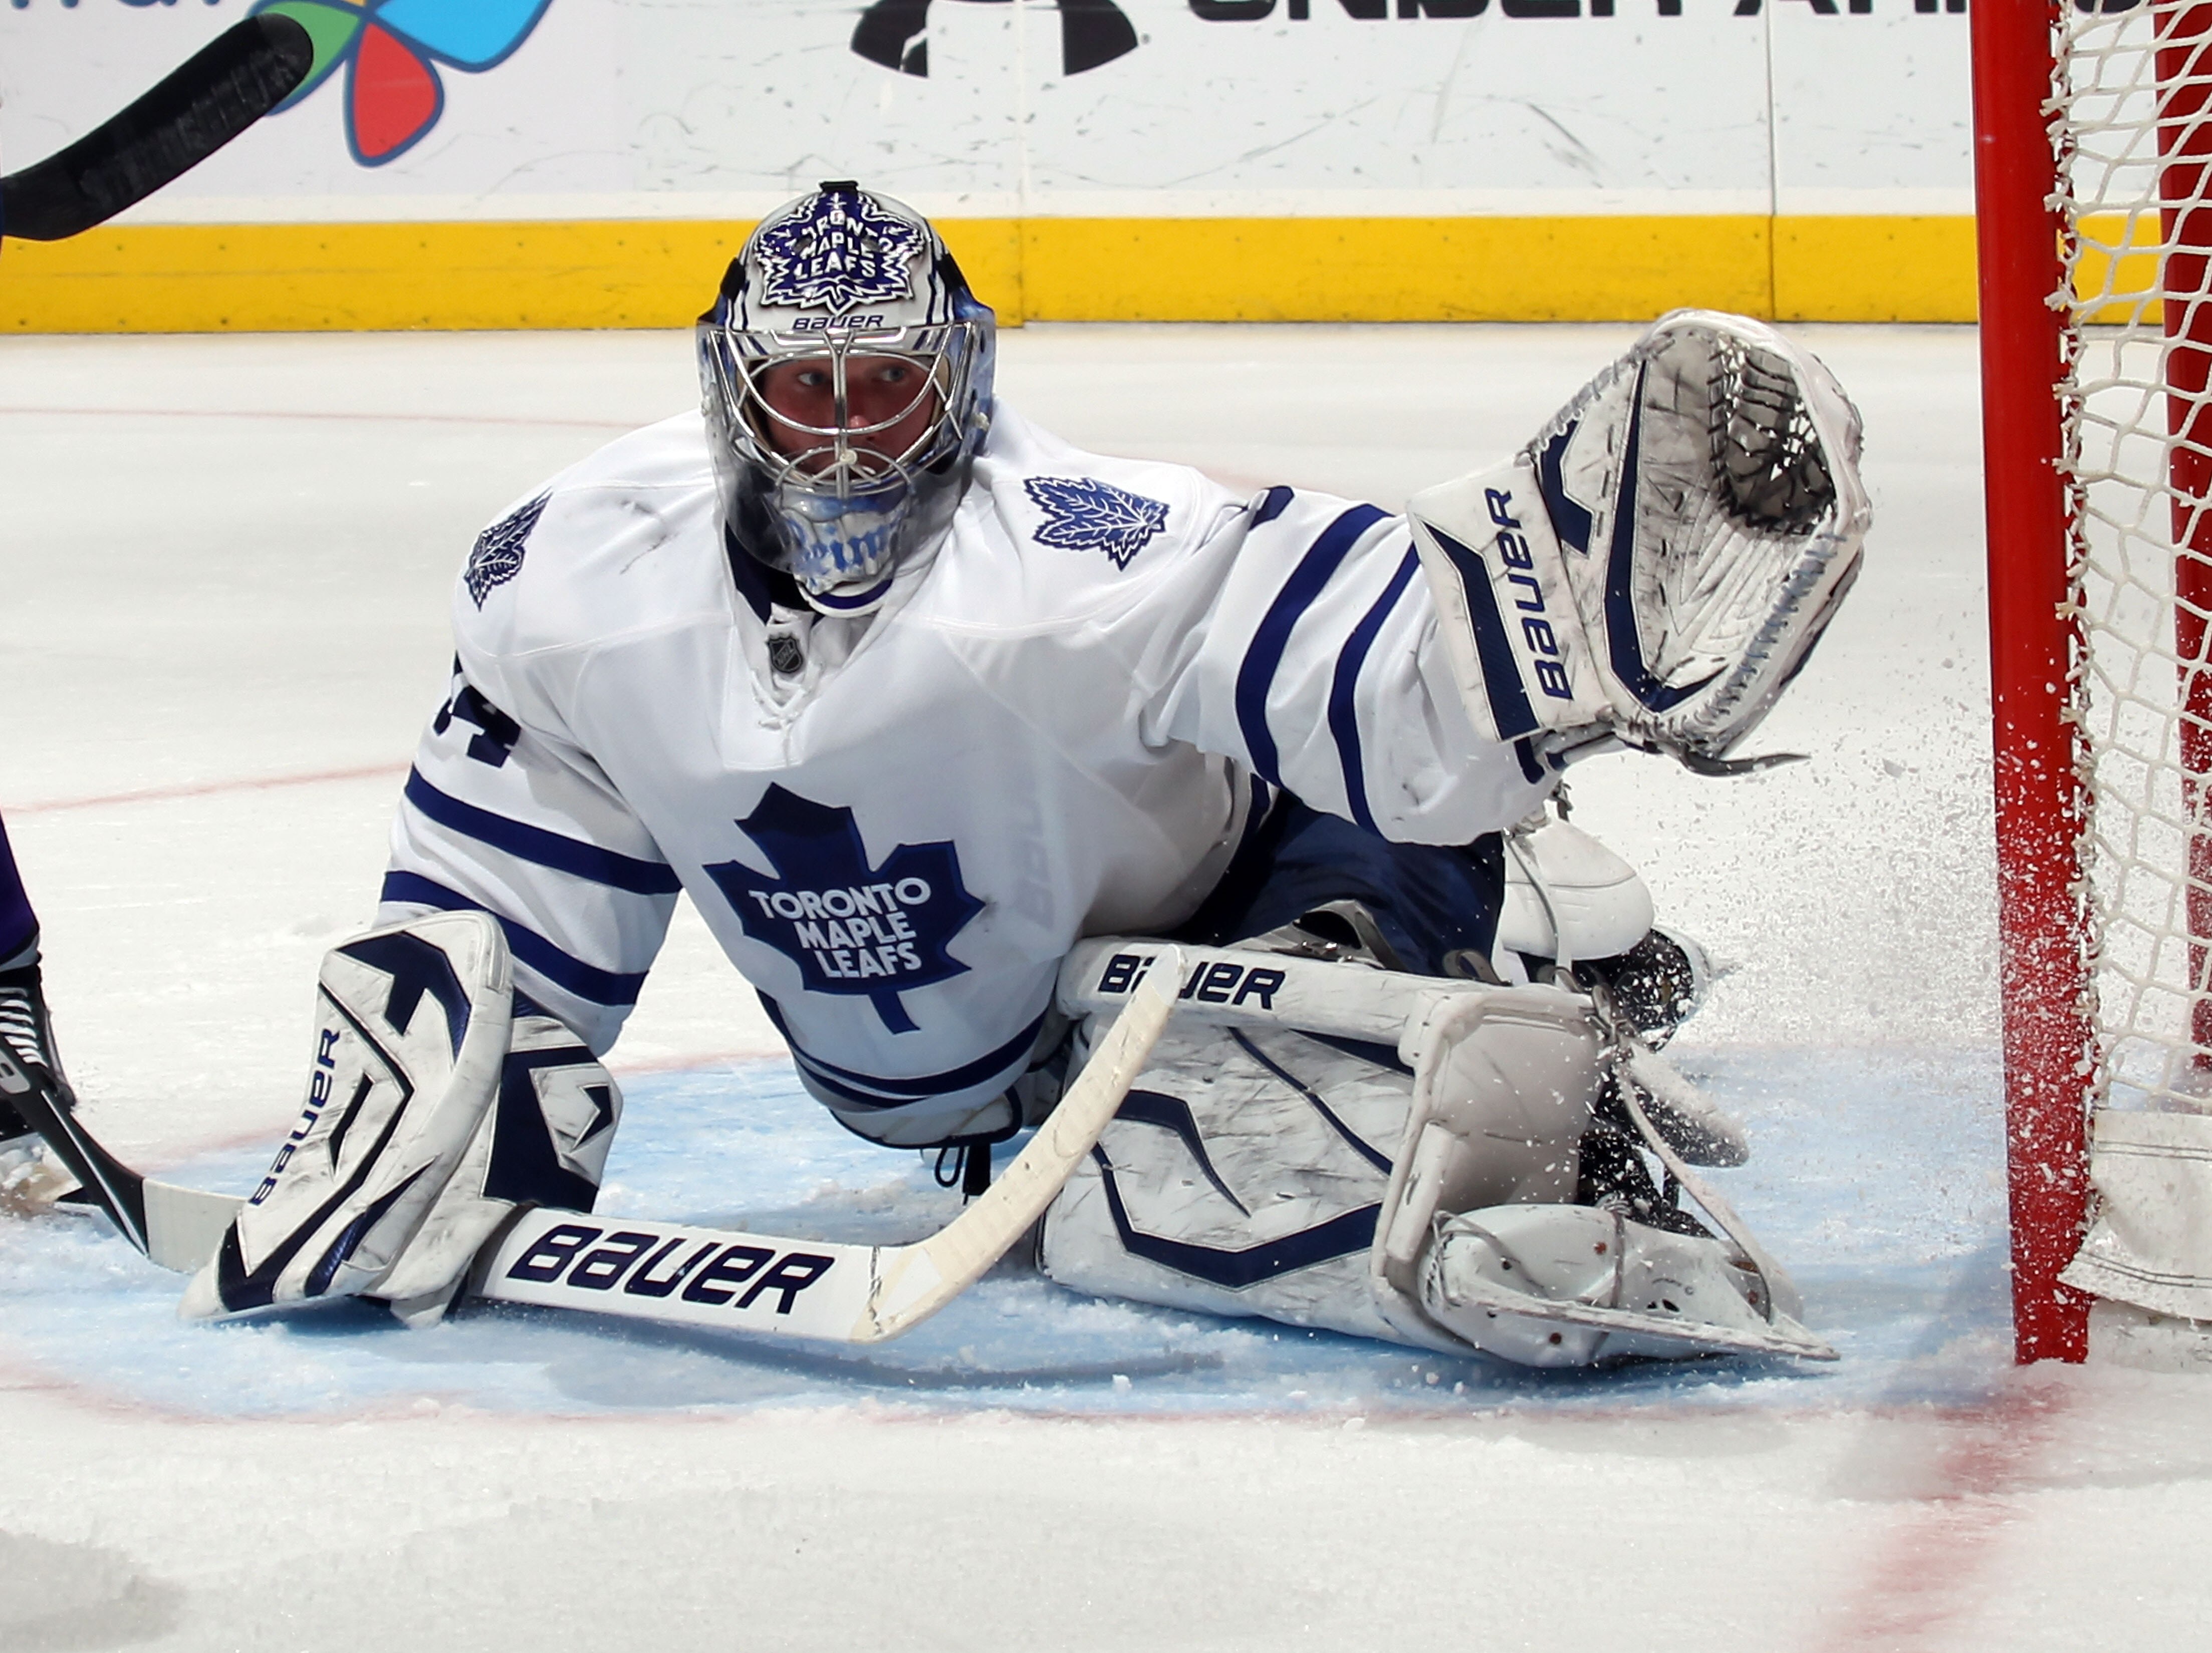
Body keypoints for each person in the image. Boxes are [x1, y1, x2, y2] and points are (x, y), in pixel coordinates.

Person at [183, 183, 1869, 1364]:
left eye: (888, 388)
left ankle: (1527, 1009)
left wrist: (1539, 622)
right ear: (731, 397)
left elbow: (1361, 644)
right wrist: (459, 1077)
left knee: (1259, 1099)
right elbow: (506, 878)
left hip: (1250, 893)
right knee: (1165, 1161)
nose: (847, 438)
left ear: (964, 383)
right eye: (807, 389)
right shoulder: (575, 580)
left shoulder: (1078, 553)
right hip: (985, 1058)